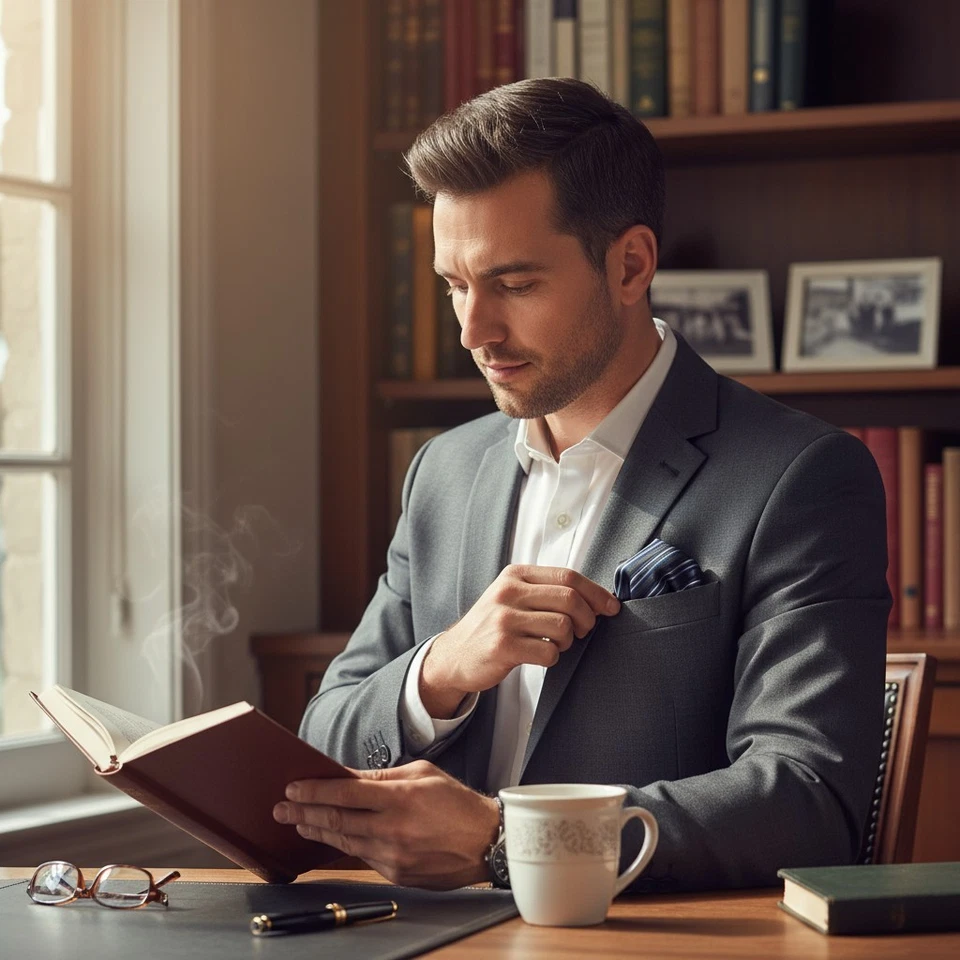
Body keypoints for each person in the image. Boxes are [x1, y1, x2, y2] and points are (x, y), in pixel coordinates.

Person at [278, 78, 890, 893]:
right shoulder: (443, 472)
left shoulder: (801, 477)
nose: (473, 332)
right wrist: (440, 670)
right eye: (454, 285)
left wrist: (509, 843)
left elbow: (809, 803)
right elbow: (325, 739)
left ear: (631, 264)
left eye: (515, 284)